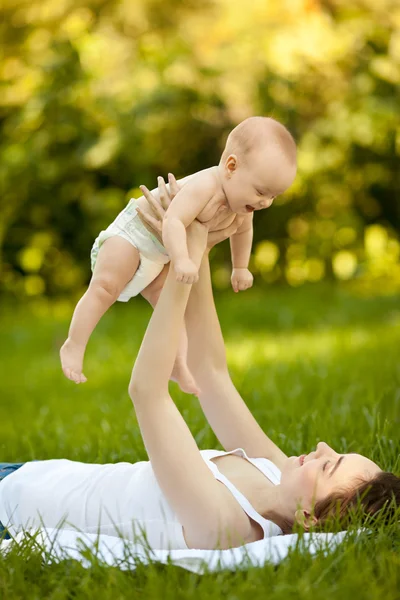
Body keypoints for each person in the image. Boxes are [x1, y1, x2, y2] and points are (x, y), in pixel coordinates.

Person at [0, 186, 398, 550]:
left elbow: (147, 392)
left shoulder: (223, 524)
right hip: (27, 475)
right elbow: (209, 370)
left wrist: (182, 262)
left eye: (329, 465)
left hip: (9, 510)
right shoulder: (274, 472)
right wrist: (199, 234)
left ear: (308, 519)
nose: (322, 447)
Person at [60, 116, 297, 394]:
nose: (264, 202)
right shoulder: (205, 186)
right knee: (105, 287)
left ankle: (177, 364)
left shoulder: (242, 206)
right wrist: (182, 258)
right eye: (260, 192)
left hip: (159, 255)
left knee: (172, 308)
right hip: (132, 235)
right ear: (231, 166)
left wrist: (240, 268)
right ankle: (74, 344)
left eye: (273, 197)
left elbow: (243, 233)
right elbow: (172, 220)